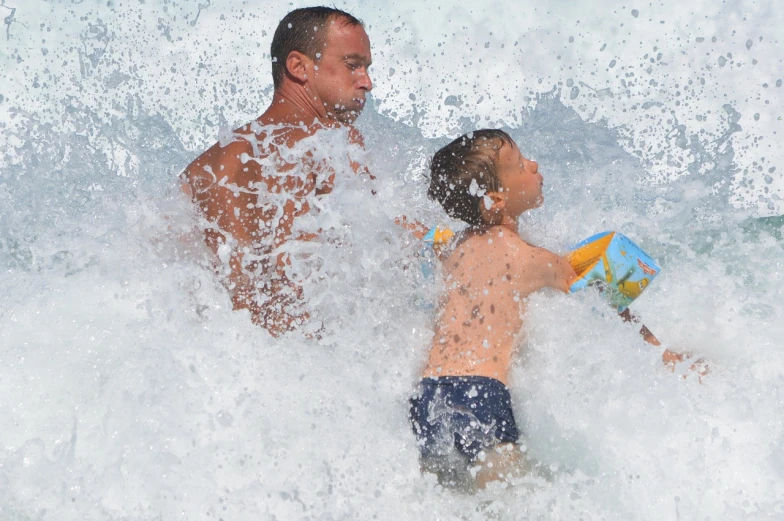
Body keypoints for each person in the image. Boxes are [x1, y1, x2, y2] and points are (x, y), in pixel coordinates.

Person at [409, 129, 678, 491]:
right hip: (482, 393)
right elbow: (599, 300)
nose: (533, 165)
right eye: (520, 165)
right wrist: (660, 352)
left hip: (427, 396)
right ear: (496, 199)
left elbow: (421, 242)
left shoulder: (451, 249)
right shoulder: (532, 258)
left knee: (446, 501)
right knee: (508, 506)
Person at [181, 7, 374, 336]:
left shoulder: (202, 169)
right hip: (305, 355)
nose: (367, 83)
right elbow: (390, 240)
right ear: (299, 66)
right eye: (352, 65)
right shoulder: (330, 143)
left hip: (228, 358)